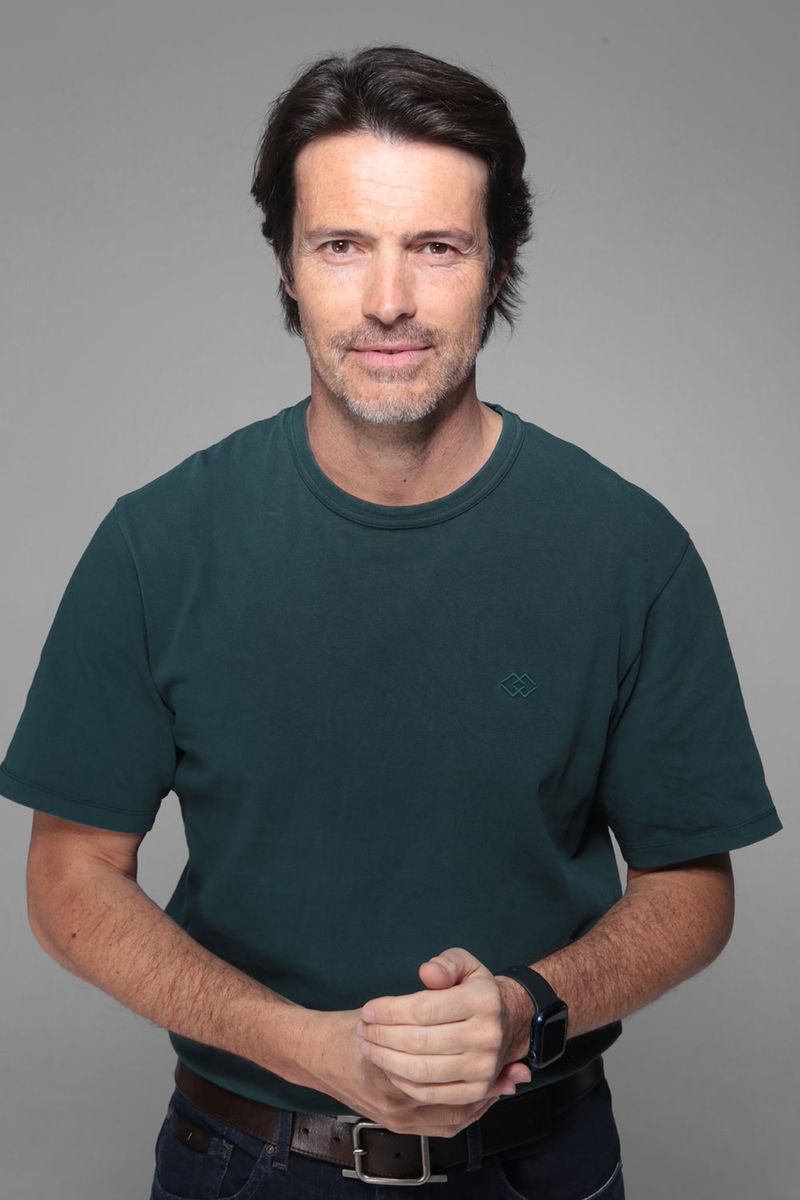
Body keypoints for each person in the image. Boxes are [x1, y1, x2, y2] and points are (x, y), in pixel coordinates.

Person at [1, 45, 780, 1200]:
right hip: (243, 1160)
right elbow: (69, 875)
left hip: (541, 1162)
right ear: (285, 265)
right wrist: (299, 1045)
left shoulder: (628, 549)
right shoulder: (155, 545)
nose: (386, 301)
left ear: (497, 261)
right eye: (340, 246)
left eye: (435, 247)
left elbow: (689, 885)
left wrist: (529, 1006)